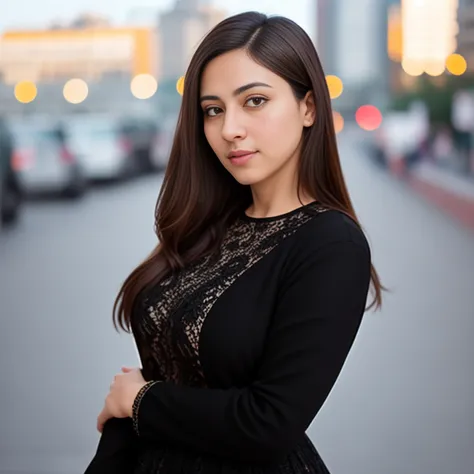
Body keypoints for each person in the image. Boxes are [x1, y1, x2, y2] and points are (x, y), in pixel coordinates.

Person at [84, 11, 385, 474]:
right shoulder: (208, 226)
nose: (229, 129)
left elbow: (268, 424)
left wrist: (143, 400)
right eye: (213, 109)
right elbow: (150, 389)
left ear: (308, 108)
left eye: (255, 101)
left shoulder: (331, 244)